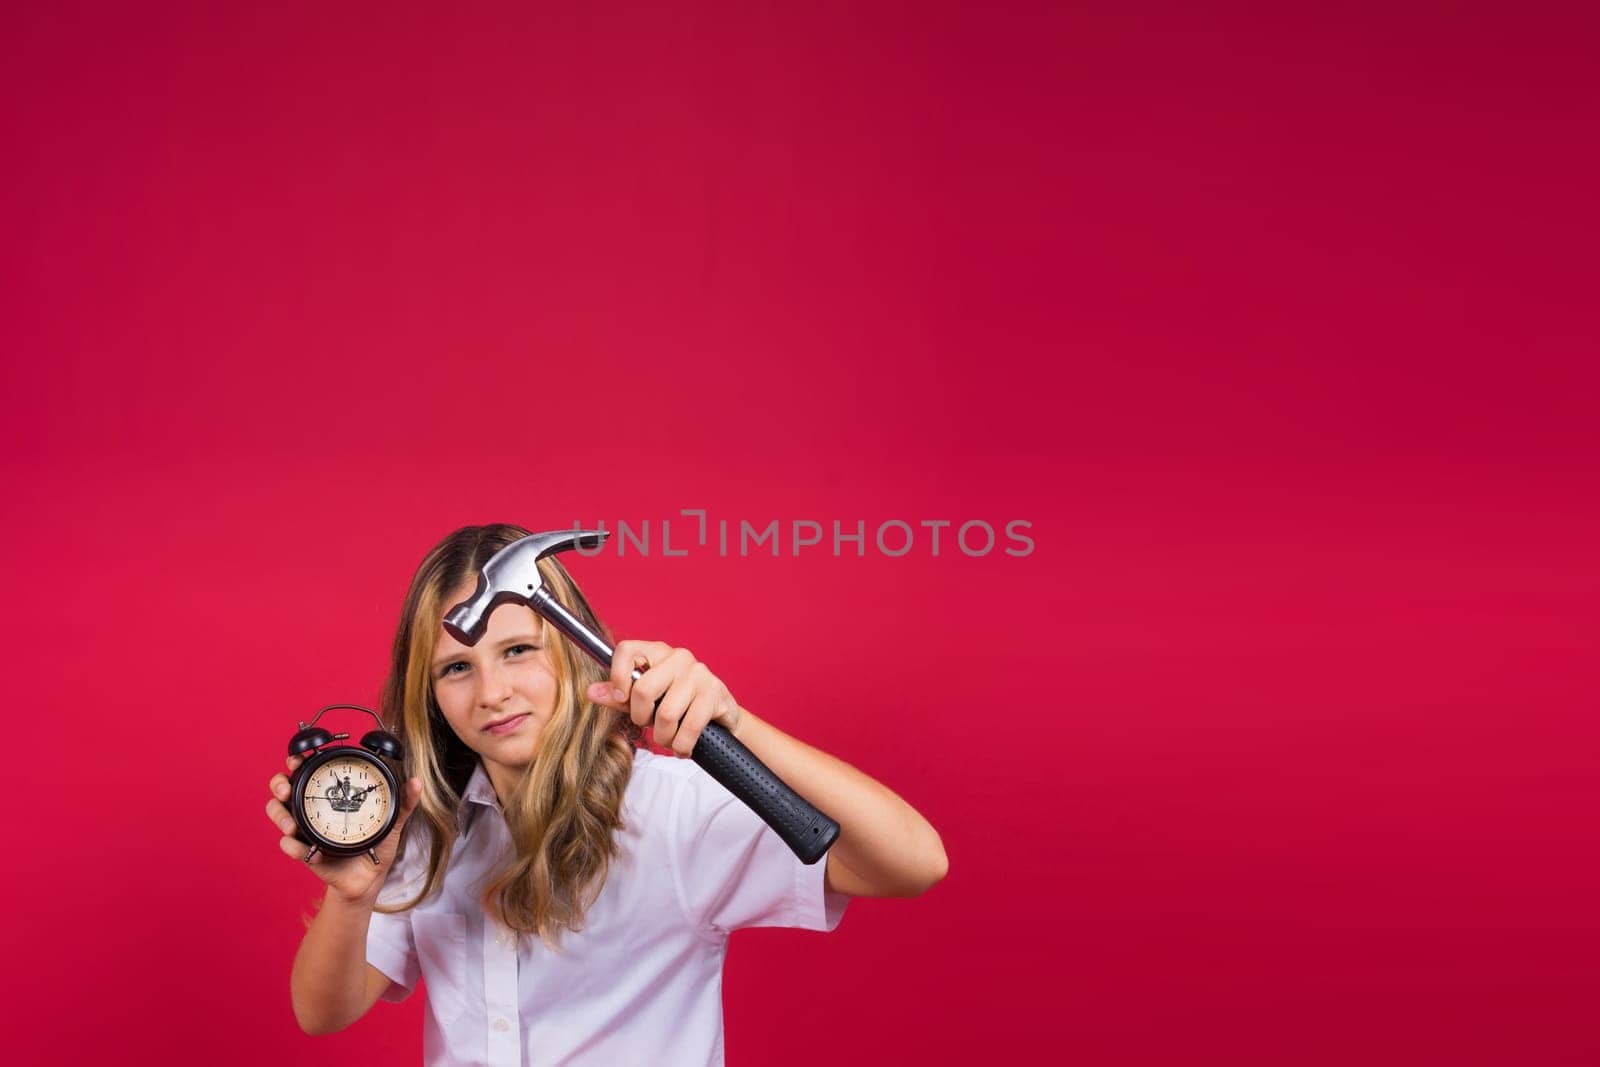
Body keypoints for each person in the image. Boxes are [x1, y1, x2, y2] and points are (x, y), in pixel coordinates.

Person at [264, 523, 948, 1065]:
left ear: (568, 649)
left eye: (517, 651)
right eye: (457, 667)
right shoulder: (423, 825)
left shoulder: (674, 810)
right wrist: (351, 895)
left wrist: (735, 724)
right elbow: (322, 1013)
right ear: (431, 695)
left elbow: (915, 862)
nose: (493, 693)